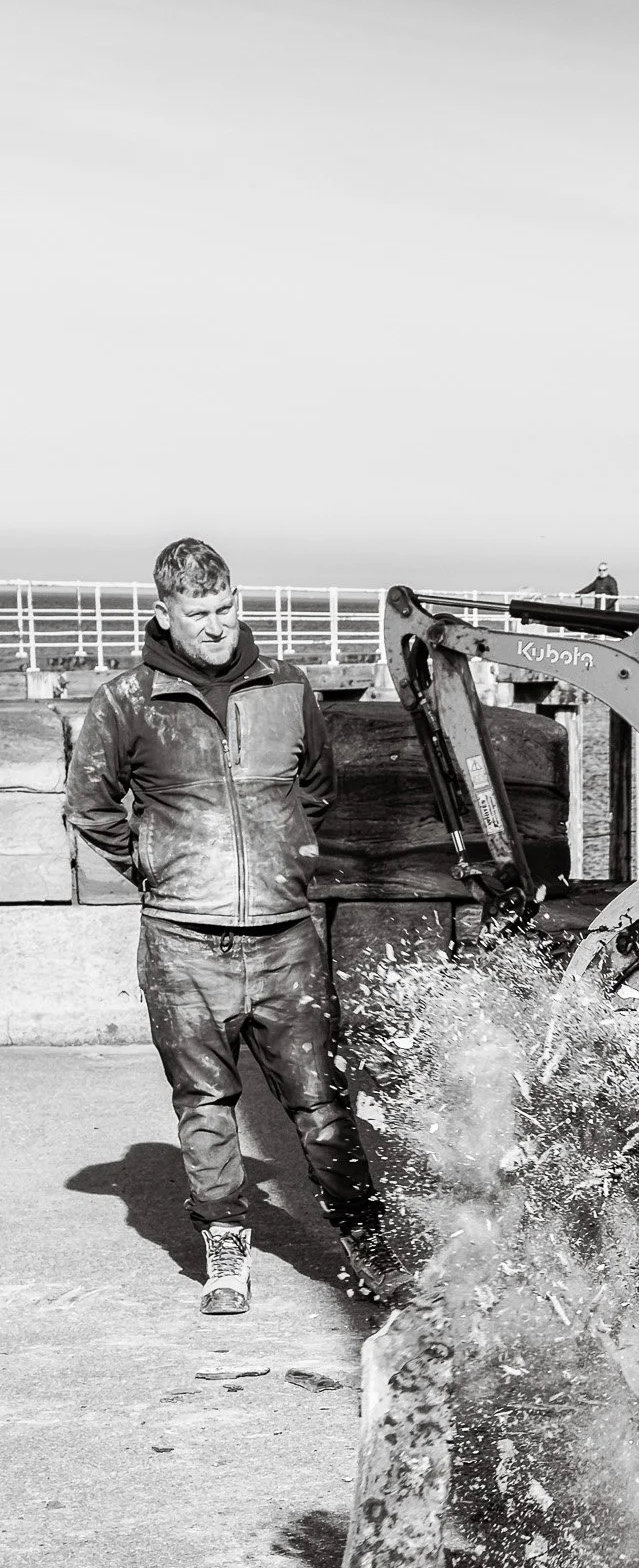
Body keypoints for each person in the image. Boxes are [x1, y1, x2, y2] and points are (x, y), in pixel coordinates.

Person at [66, 538, 393, 1316]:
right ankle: (226, 1254)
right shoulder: (127, 700)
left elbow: (317, 788)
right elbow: (91, 806)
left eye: (225, 608)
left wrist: (279, 856)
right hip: (184, 943)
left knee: (322, 1106)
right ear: (164, 613)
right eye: (197, 613)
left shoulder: (288, 686)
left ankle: (369, 1244)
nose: (215, 626)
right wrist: (157, 867)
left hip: (286, 939)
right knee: (207, 1104)